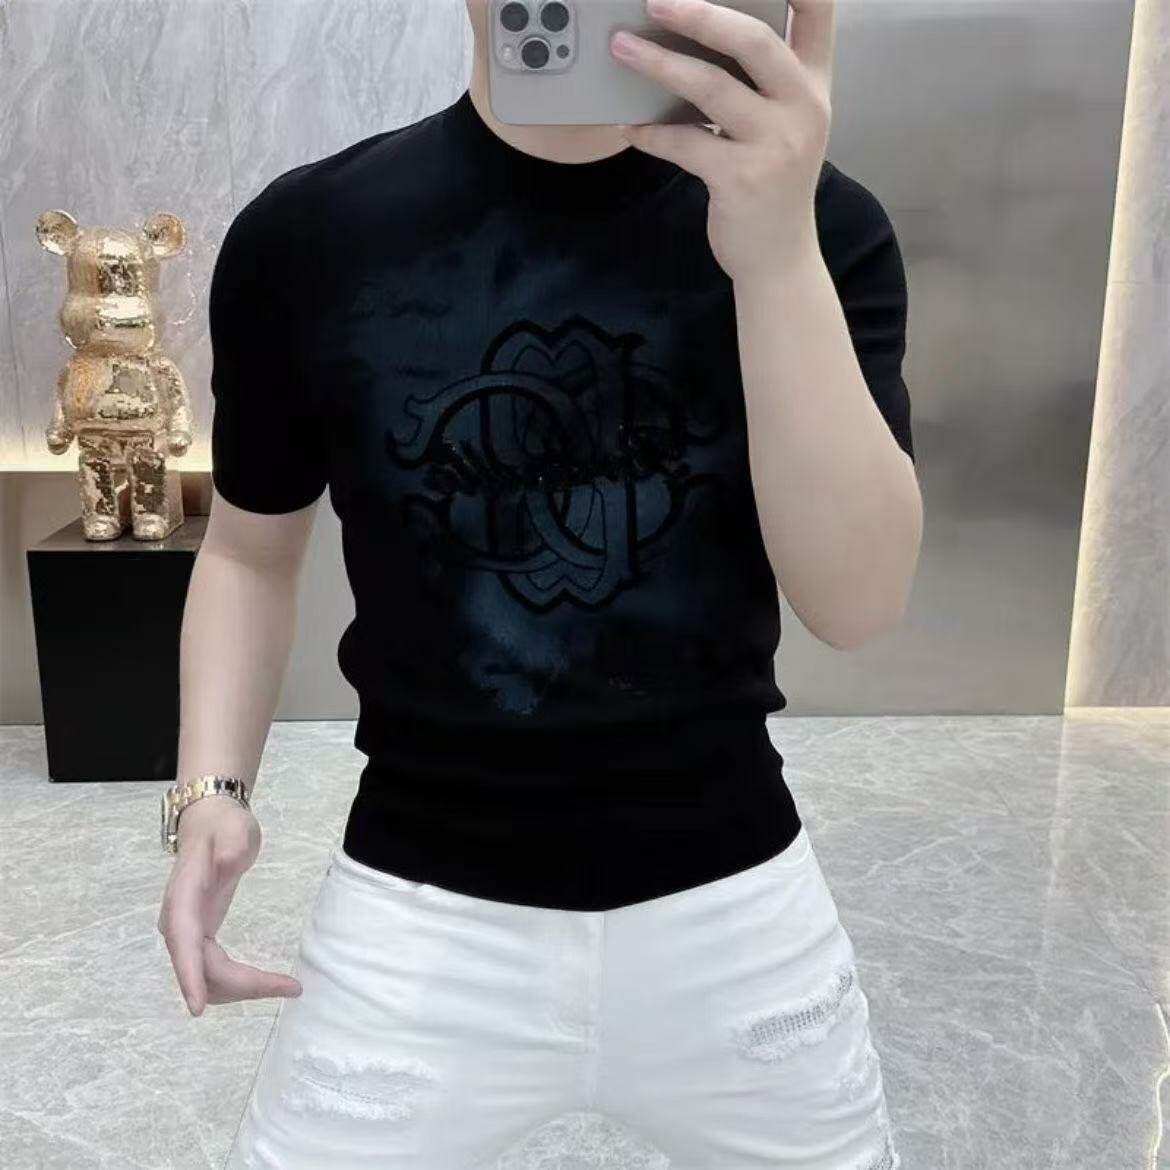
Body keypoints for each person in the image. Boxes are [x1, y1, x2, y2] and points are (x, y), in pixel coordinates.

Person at [158, 0, 923, 1165]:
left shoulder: (819, 226)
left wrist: (775, 257)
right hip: (417, 917)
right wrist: (210, 790)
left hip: (732, 909)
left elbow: (858, 605)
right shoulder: (310, 238)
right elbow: (248, 550)